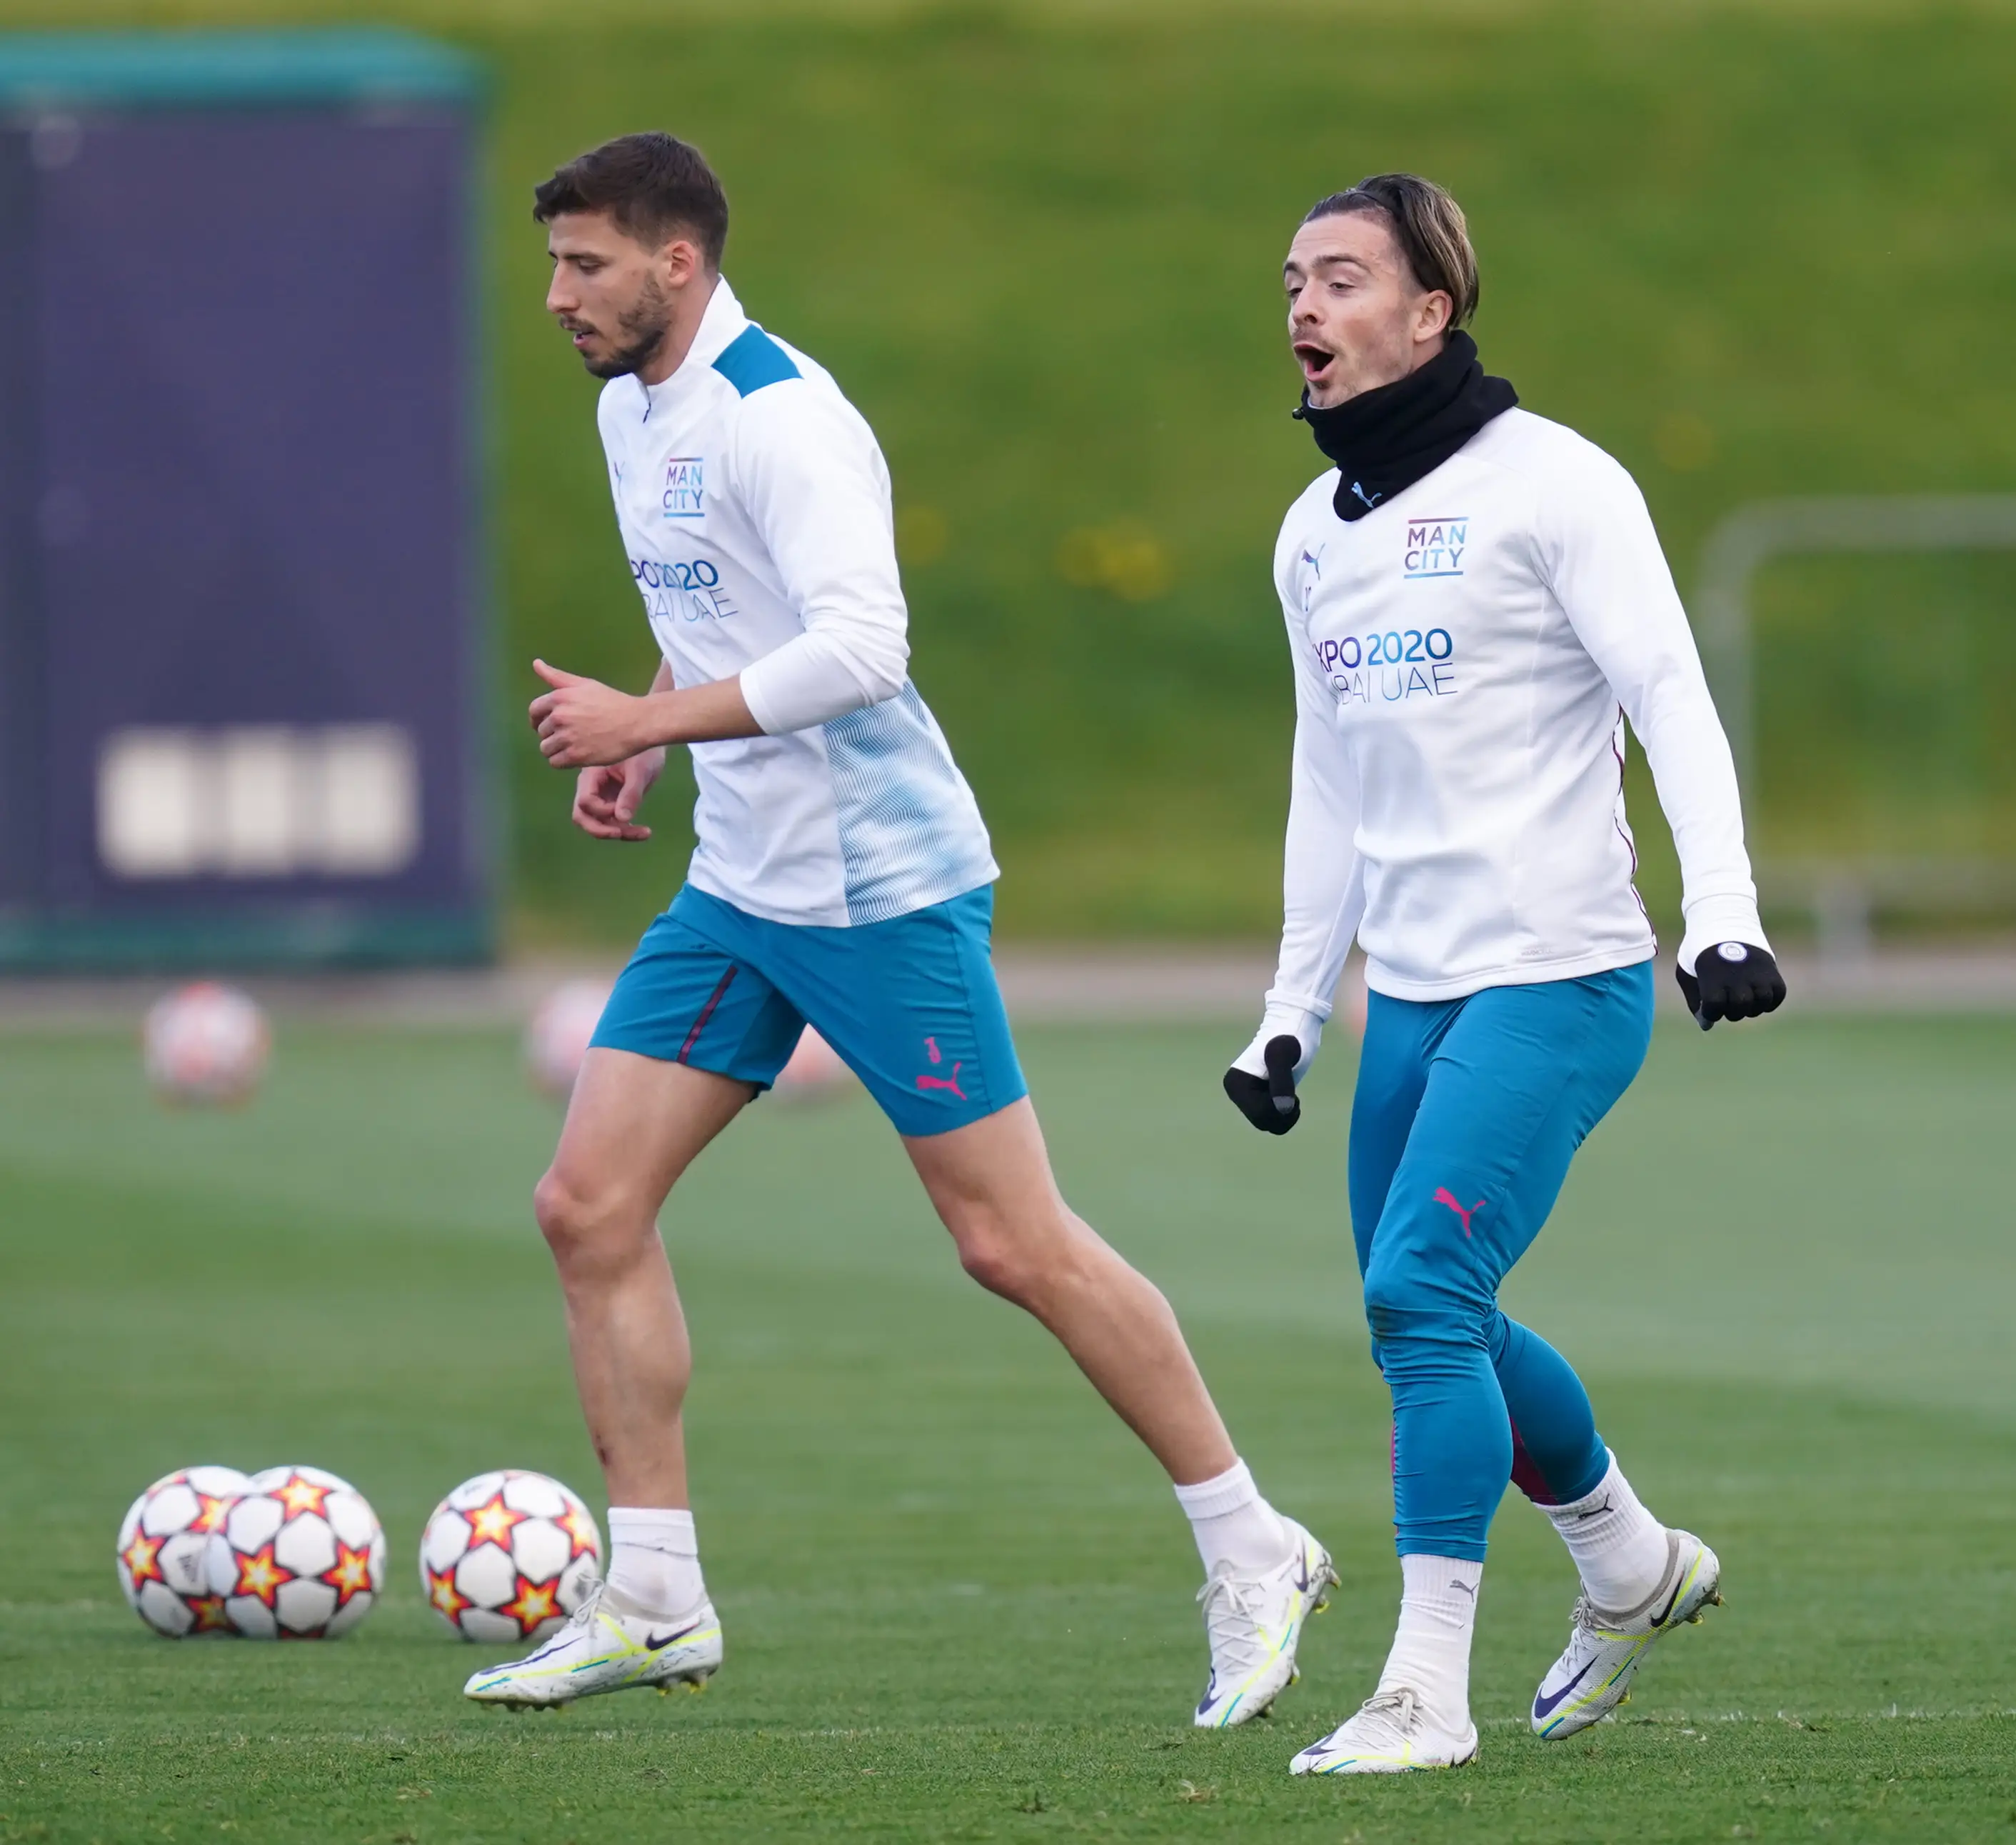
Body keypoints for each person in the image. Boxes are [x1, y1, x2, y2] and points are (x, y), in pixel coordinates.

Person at [466, 132, 1335, 1721]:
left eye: (585, 266)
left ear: (679, 265)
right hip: (743, 884)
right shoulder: (627, 409)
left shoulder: (786, 419)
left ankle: (1251, 1539)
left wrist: (654, 721)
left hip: (880, 887)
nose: (556, 297)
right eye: (554, 265)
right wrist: (655, 728)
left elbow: (864, 646)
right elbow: (723, 620)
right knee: (588, 1204)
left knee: (1011, 1242)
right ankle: (653, 1593)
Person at [1223, 174, 1785, 1774]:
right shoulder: (1310, 537)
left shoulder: (1556, 485)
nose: (1304, 312)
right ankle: (1625, 1557)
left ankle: (1421, 1688)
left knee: (1420, 1293)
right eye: (1290, 283)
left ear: (1432, 309)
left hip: (1562, 974)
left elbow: (1670, 695)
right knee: (1430, 1315)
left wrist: (1724, 911)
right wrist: (1283, 1010)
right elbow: (1324, 785)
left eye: (1338, 280)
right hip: (1410, 994)